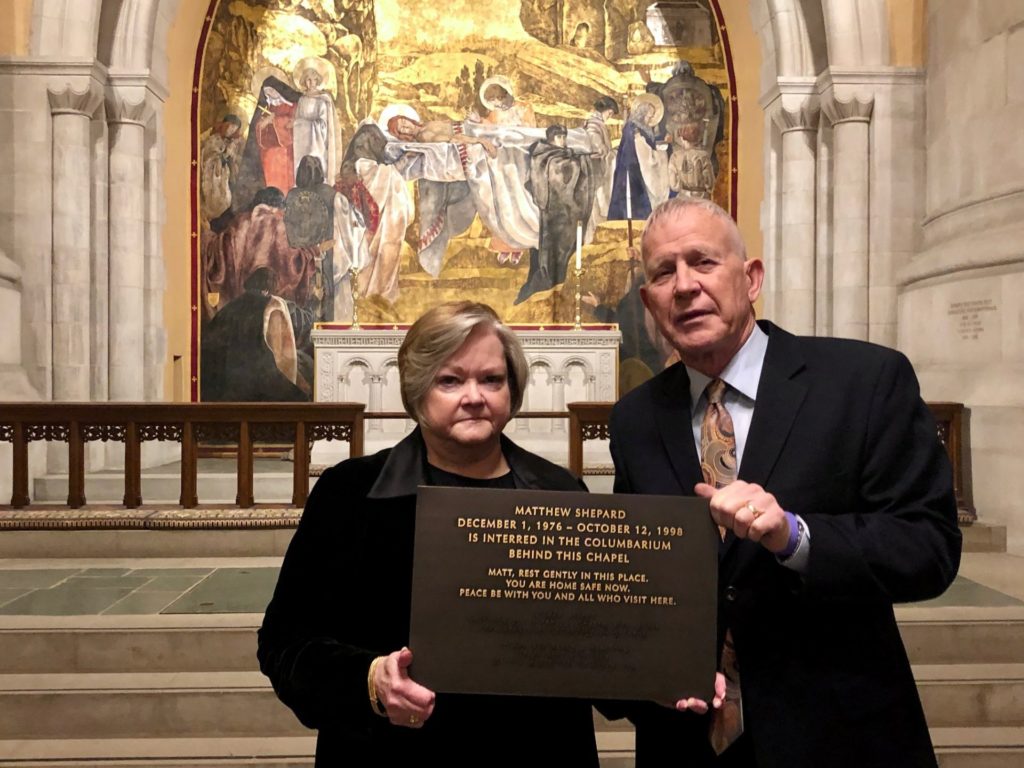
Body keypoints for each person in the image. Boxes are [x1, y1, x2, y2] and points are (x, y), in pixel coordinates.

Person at [608, 197, 962, 767]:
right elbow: (638, 582)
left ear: (751, 279)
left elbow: (929, 549)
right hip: (685, 742)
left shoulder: (863, 381)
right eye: (663, 273)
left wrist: (794, 537)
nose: (684, 286)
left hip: (835, 733)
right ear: (649, 301)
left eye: (702, 262)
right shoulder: (635, 420)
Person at [258, 301, 601, 767]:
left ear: (512, 388)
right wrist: (369, 679)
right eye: (450, 380)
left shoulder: (563, 493)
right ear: (418, 391)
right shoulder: (349, 495)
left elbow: (601, 648)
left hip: (535, 751)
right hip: (393, 755)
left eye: (491, 379)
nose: (475, 396)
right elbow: (284, 644)